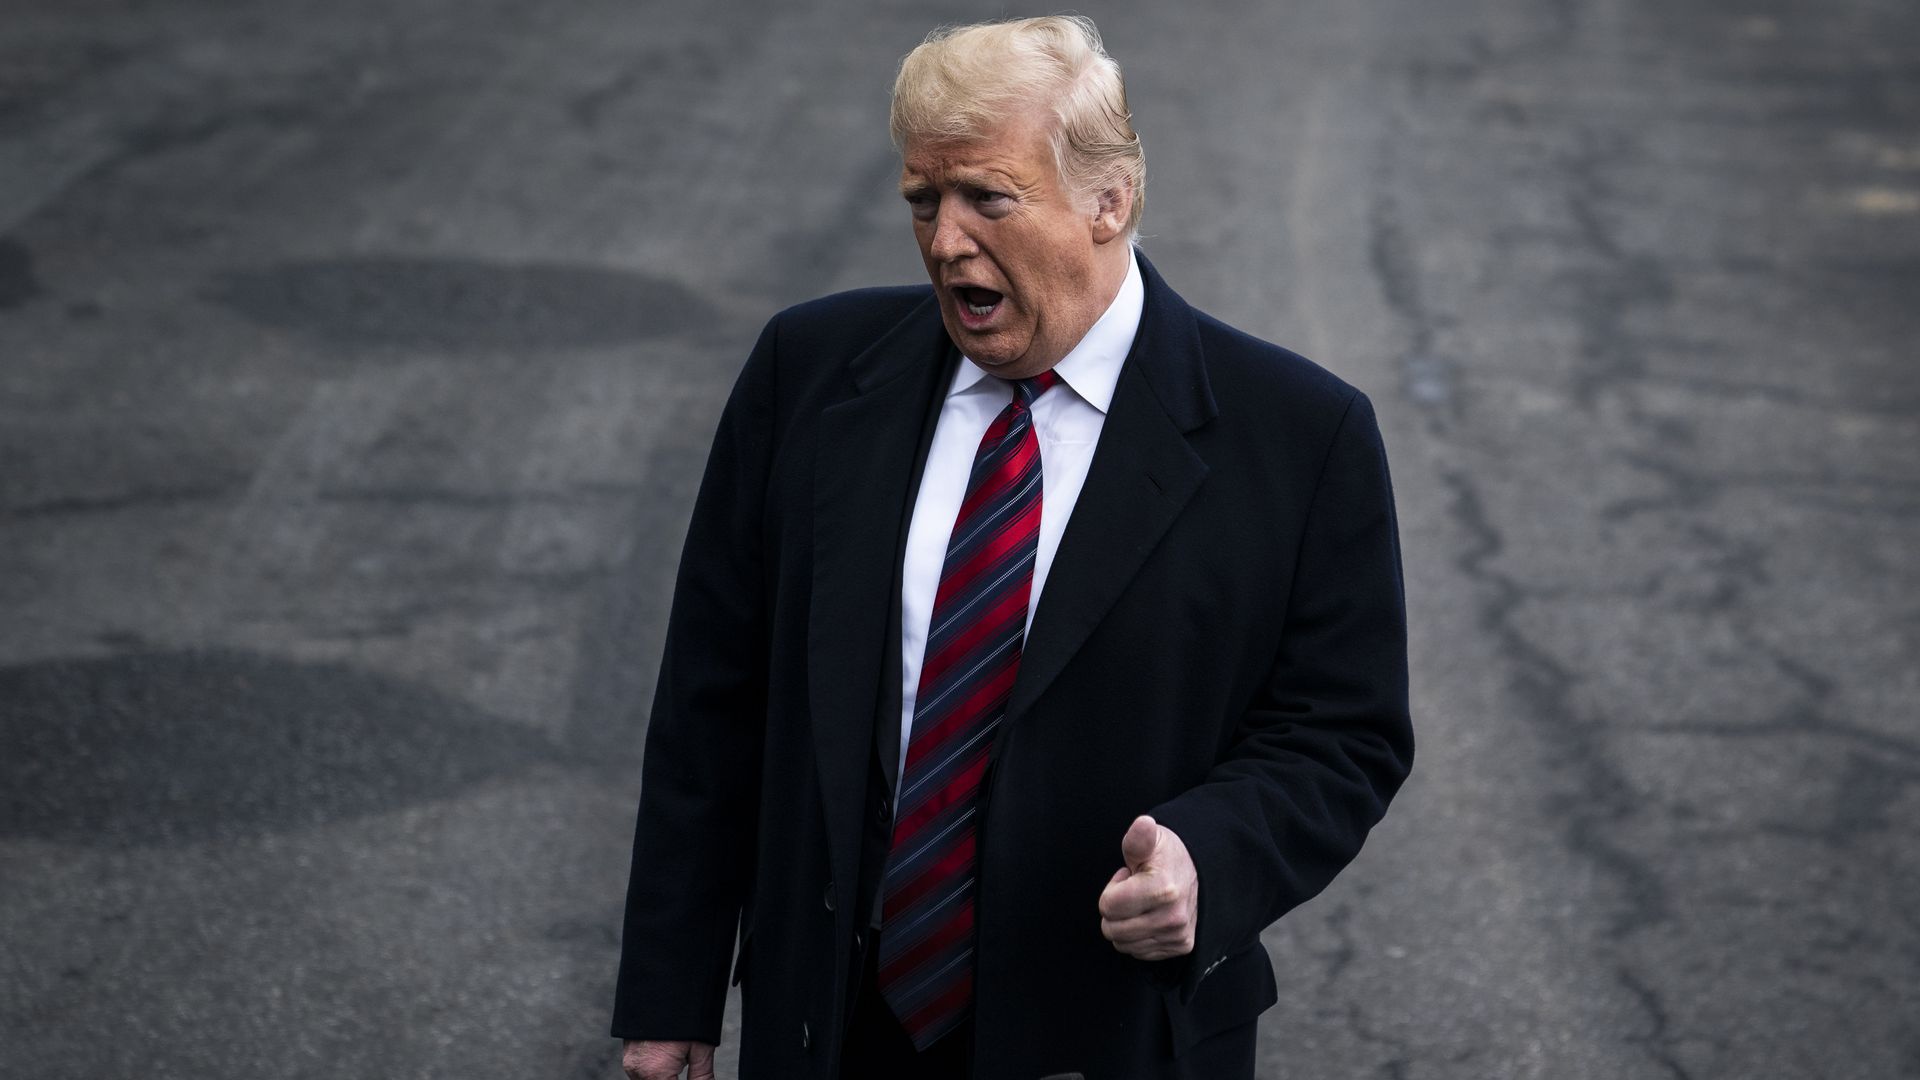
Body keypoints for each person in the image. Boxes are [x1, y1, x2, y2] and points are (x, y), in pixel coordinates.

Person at [610, 15, 1412, 1080]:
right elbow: (713, 700)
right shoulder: (807, 373)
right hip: (837, 1027)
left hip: (1111, 1035)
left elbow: (1343, 734)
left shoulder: (1299, 436)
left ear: (1107, 200)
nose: (945, 241)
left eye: (987, 197)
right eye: (921, 201)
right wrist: (672, 995)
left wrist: (1207, 859)